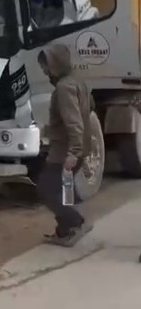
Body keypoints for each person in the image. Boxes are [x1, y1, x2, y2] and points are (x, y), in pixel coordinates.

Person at [37, 43, 93, 247]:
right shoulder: (77, 80)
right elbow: (89, 108)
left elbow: (74, 122)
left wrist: (73, 153)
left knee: (46, 189)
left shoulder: (64, 87)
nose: (43, 69)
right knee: (65, 189)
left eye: (46, 65)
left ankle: (76, 222)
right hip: (76, 146)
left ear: (56, 64)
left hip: (64, 150)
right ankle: (64, 232)